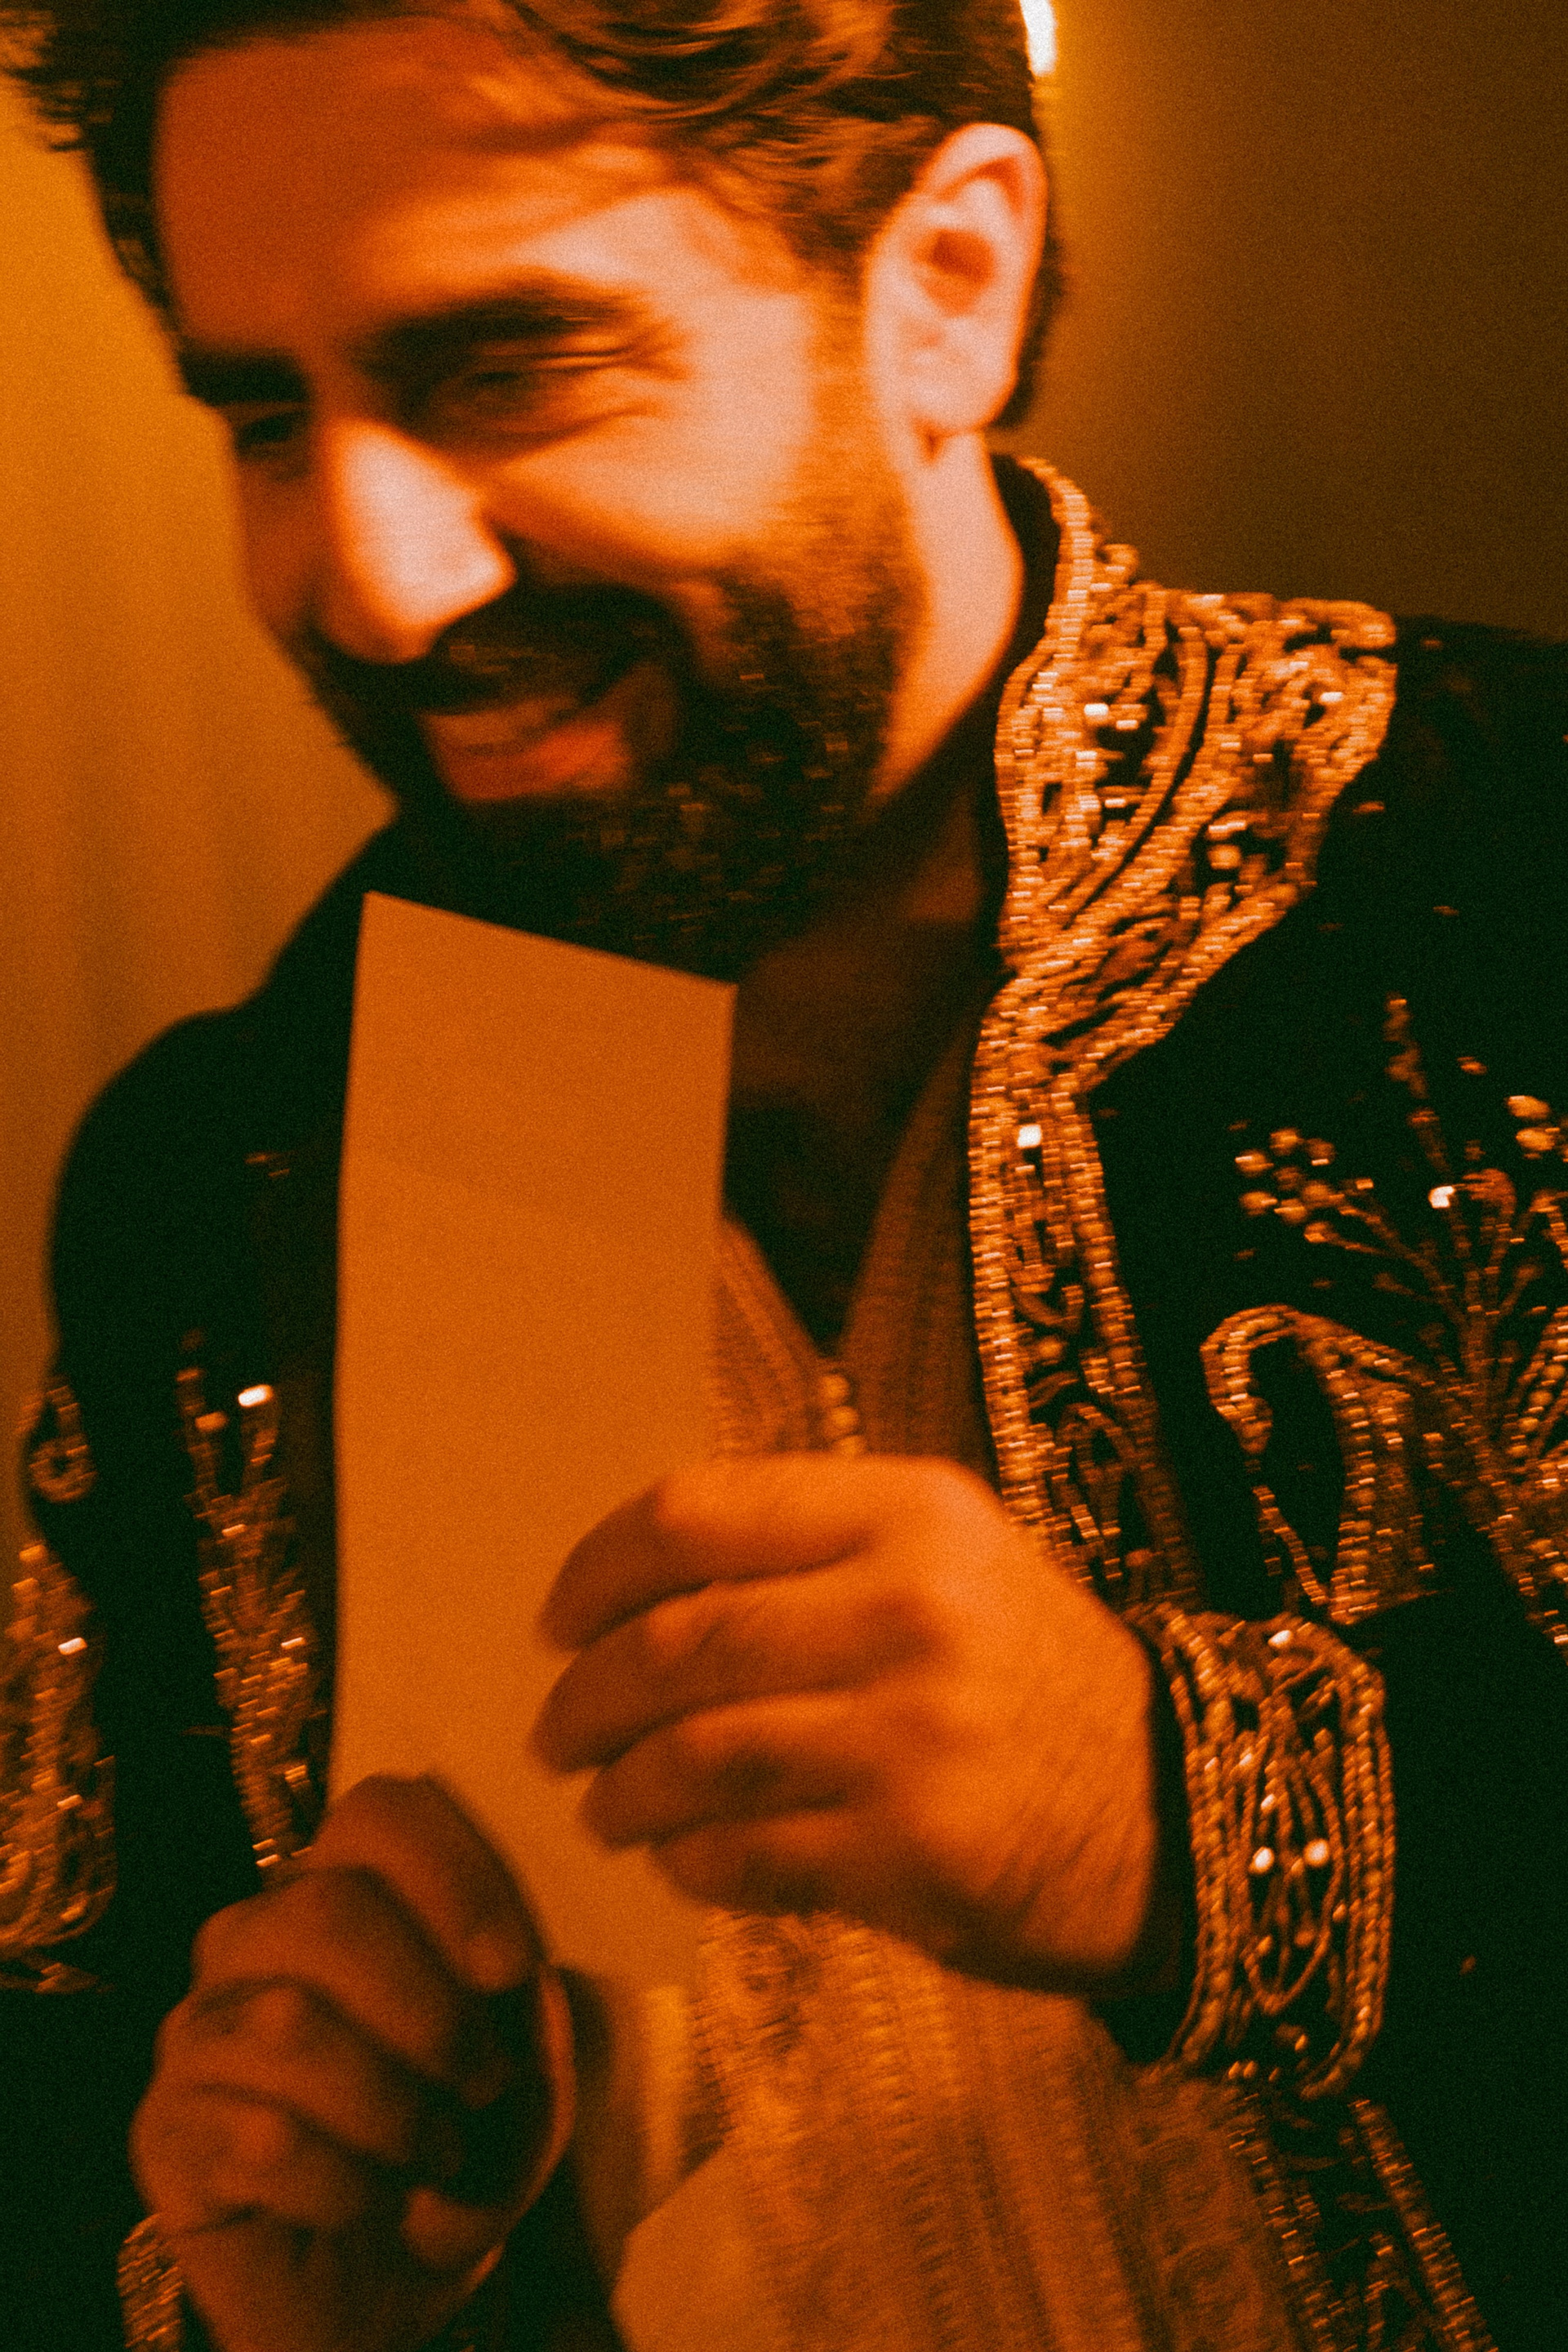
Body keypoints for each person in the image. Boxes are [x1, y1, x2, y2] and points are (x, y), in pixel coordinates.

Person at [2, 3, 1565, 2348]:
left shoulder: (1514, 879)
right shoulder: (215, 1198)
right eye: (266, 421)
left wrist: (1190, 1834)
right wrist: (272, 2274)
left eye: (509, 369)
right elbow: (80, 2113)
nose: (375, 582)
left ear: (948, 284)